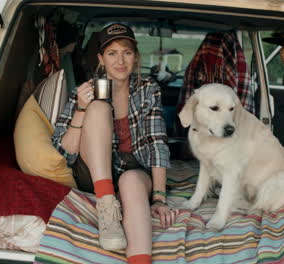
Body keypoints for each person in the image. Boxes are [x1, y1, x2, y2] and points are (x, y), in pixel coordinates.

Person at [52, 23, 178, 264]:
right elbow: (65, 154)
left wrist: (160, 198)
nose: (120, 60)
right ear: (101, 58)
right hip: (93, 172)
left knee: (130, 181)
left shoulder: (148, 89)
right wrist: (81, 108)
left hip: (133, 168)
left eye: (127, 52)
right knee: (98, 107)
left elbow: (157, 142)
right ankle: (107, 207)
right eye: (112, 53)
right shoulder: (85, 91)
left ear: (136, 56)